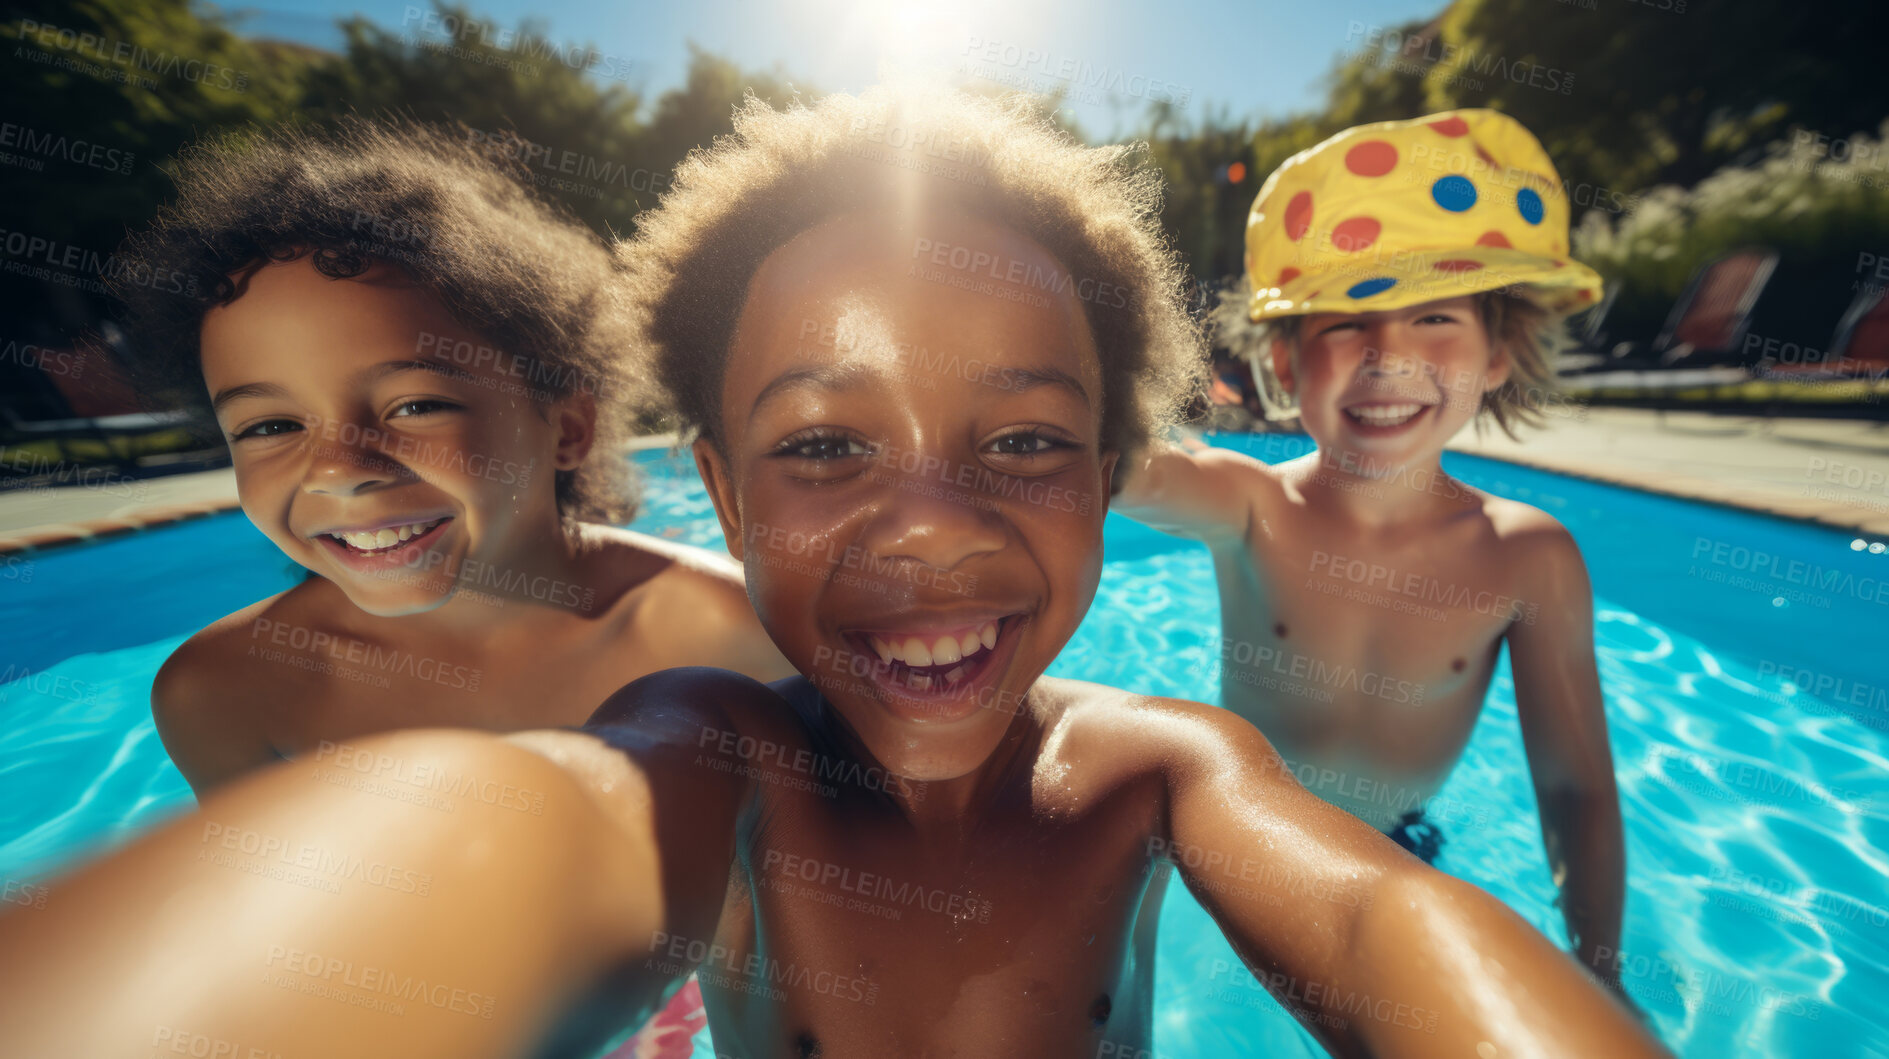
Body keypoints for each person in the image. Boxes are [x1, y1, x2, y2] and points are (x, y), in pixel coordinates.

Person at [0, 92, 1665, 1059]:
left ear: (1107, 479)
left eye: (1019, 443)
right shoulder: (708, 741)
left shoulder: (1164, 762)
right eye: (818, 447)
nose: (924, 528)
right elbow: (520, 829)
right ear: (713, 486)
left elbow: (1377, 910)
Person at [108, 119, 792, 797]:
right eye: (273, 424)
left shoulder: (740, 637)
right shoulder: (224, 691)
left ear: (567, 427)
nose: (340, 468)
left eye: (414, 406)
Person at [1112, 109, 1629, 993]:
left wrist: (1599, 968)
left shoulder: (1525, 557)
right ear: (1284, 358)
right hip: (1237, 838)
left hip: (1401, 844)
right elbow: (1107, 465)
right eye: (1345, 324)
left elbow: (1574, 789)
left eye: (1434, 318)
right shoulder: (1249, 503)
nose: (1388, 356)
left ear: (1496, 352)